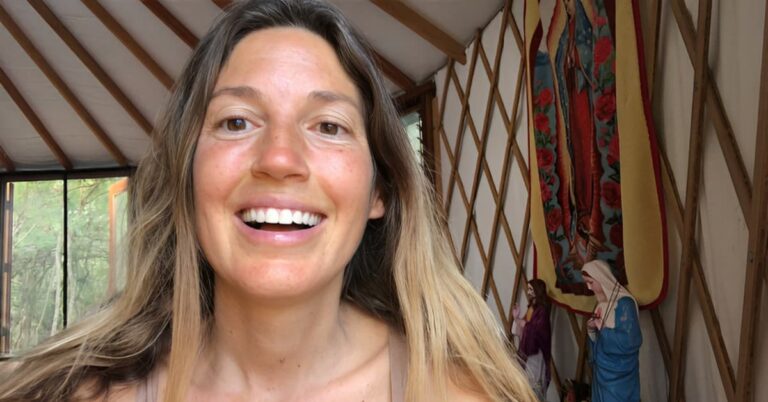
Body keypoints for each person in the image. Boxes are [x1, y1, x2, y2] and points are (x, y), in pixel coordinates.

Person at [0, 1, 538, 401]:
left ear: (381, 191)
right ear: (187, 175)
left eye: (328, 126)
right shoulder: (77, 393)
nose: (279, 158)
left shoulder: (460, 392)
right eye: (237, 121)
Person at [582, 260, 641, 402]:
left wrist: (603, 329)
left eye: (591, 282)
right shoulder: (601, 304)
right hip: (601, 371)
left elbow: (631, 341)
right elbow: (598, 341)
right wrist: (591, 330)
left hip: (620, 376)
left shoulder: (625, 304)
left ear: (601, 278)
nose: (589, 288)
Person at [512, 279, 551, 400]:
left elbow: (540, 331)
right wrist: (517, 318)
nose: (528, 292)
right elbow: (521, 330)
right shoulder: (531, 309)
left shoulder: (542, 311)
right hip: (527, 352)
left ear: (537, 291)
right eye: (528, 289)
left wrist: (525, 325)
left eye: (531, 289)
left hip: (536, 354)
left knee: (534, 382)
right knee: (526, 381)